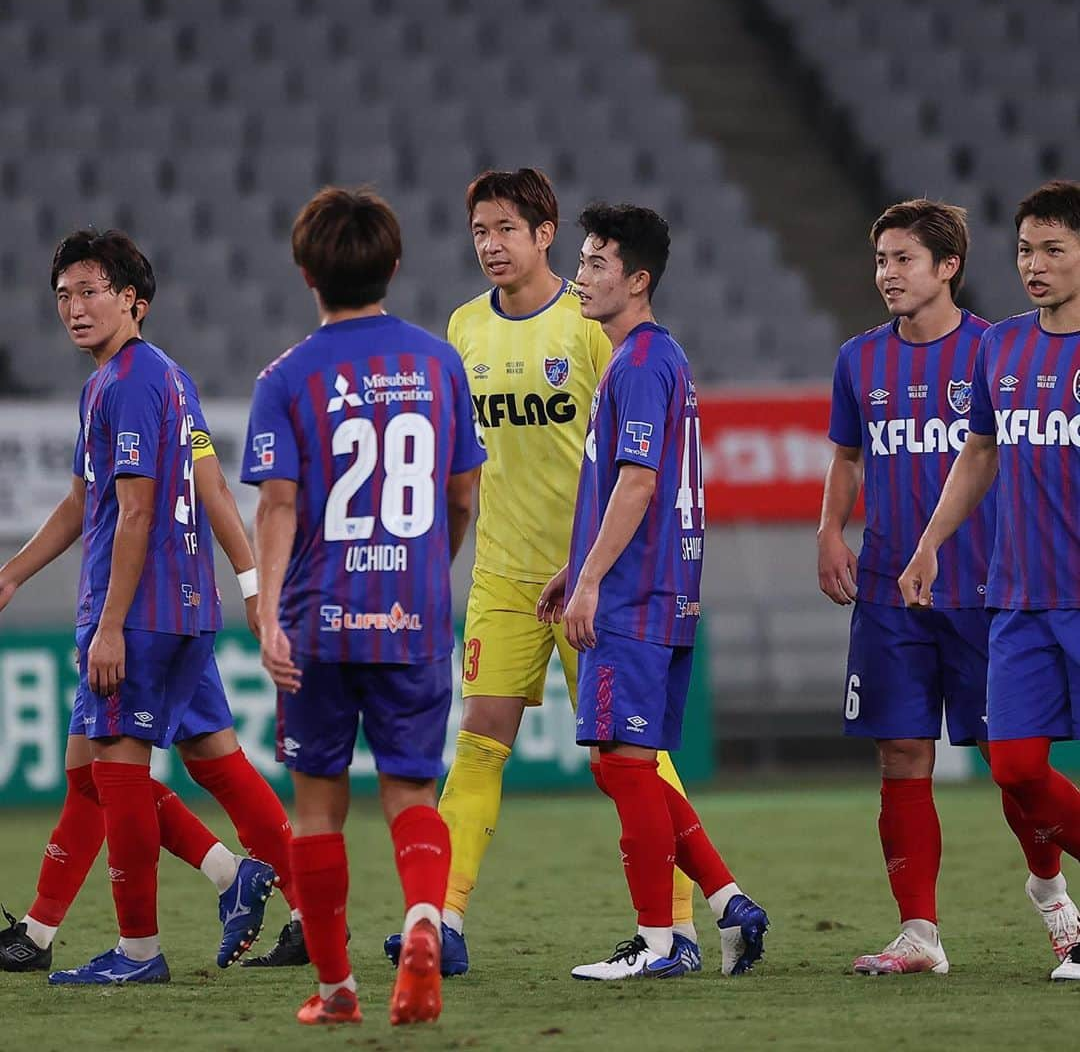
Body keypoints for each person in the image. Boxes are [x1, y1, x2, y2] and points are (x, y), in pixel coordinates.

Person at [384, 168, 701, 977]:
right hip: (502, 574)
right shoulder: (463, 328)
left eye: (506, 229)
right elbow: (459, 459)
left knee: (633, 759)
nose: (491, 245)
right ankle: (443, 919)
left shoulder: (592, 323)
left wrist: (592, 570)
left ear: (545, 233)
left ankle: (686, 921)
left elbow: (631, 460)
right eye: (479, 231)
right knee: (478, 744)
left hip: (593, 576)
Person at [0, 229, 276, 985]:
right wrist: (15, 573)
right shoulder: (155, 379)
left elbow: (136, 512)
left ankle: (139, 950)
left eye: (91, 291)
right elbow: (86, 500)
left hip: (139, 610)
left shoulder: (125, 383)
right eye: (63, 295)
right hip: (180, 605)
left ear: (133, 300)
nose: (74, 307)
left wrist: (112, 624)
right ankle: (246, 881)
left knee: (114, 778)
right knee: (98, 772)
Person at [243, 186, 484, 1025]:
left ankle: (338, 987)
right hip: (412, 614)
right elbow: (461, 494)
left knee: (316, 807)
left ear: (306, 270)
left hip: (317, 619)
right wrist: (426, 569)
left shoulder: (286, 377)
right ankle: (424, 923)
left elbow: (276, 504)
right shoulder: (438, 362)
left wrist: (271, 614)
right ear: (394, 263)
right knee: (413, 796)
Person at [820, 198, 1078, 975]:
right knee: (909, 755)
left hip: (989, 591)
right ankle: (920, 933)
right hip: (901, 589)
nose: (888, 274)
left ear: (948, 267)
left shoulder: (989, 347)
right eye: (881, 260)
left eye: (903, 259)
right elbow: (856, 455)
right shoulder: (866, 359)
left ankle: (1052, 899)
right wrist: (836, 530)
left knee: (1012, 764)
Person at [537, 203, 768, 980]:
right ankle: (729, 902)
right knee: (620, 763)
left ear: (638, 280)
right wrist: (578, 563)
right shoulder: (654, 359)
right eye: (583, 258)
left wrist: (593, 581)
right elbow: (639, 485)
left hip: (636, 595)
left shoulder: (637, 364)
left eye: (598, 263)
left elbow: (636, 484)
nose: (581, 274)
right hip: (661, 588)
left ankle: (659, 944)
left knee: (626, 766)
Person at [900, 180, 1080, 981]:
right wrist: (930, 545)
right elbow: (979, 454)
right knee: (1014, 768)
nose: (1034, 266)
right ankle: (1056, 902)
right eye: (1024, 250)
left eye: (1053, 250)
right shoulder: (1000, 345)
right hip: (1017, 599)